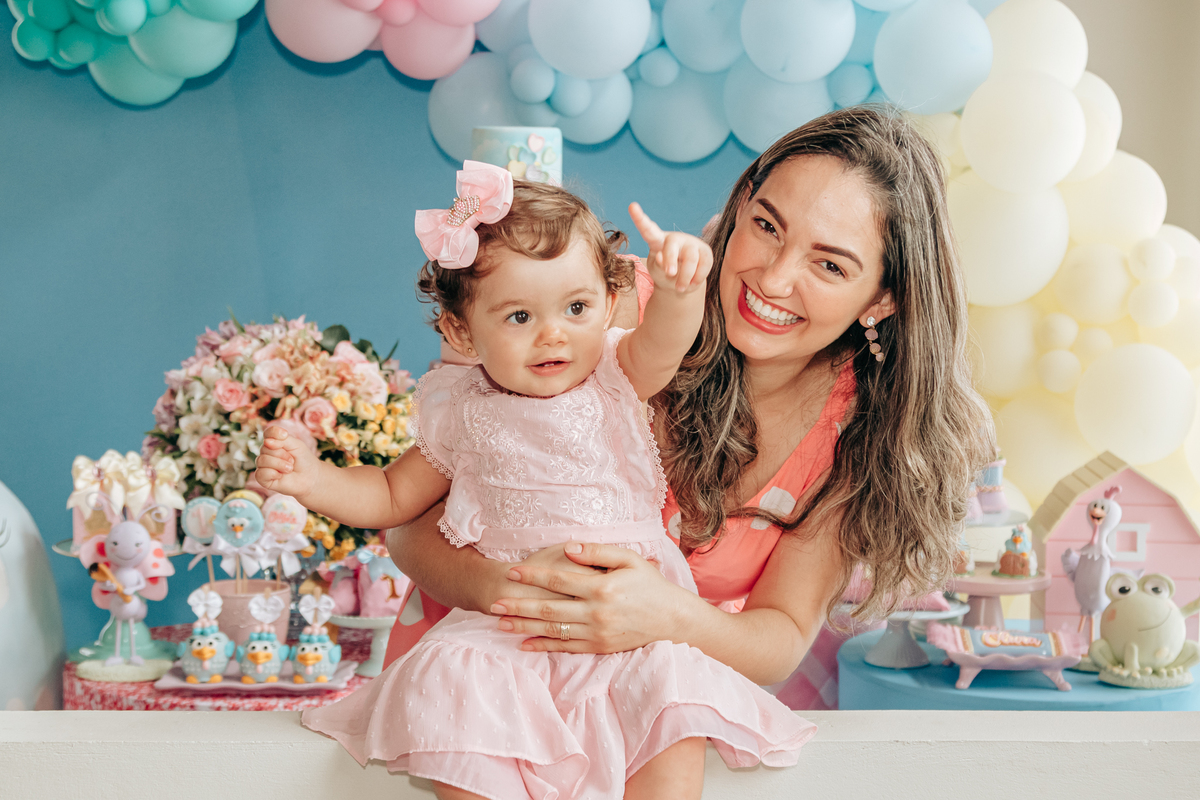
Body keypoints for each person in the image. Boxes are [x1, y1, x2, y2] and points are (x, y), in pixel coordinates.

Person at [385, 106, 996, 707]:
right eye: (768, 226)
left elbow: (781, 635)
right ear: (742, 205)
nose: (773, 279)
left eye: (830, 264)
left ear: (883, 299)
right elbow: (409, 524)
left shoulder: (858, 433)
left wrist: (665, 614)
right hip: (475, 686)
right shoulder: (600, 310)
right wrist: (512, 590)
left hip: (638, 716)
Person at [254, 162, 813, 800]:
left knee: (669, 714)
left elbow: (665, 342)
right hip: (509, 631)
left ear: (609, 304)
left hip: (631, 629)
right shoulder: (459, 410)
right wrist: (312, 479)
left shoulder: (616, 375)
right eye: (519, 316)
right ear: (462, 331)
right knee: (457, 692)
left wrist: (680, 290)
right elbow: (387, 496)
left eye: (576, 307)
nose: (553, 334)